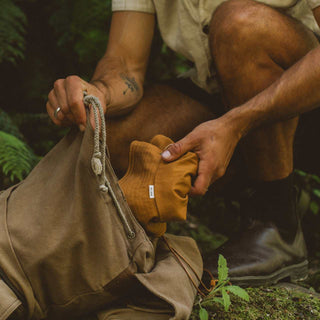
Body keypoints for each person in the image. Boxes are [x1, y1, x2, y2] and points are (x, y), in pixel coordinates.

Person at [46, 0, 320, 286]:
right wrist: (99, 93)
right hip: (222, 93)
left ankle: (276, 221)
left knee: (241, 24)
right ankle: (261, 191)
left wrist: (234, 125)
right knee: (113, 136)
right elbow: (125, 62)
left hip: (305, 97)